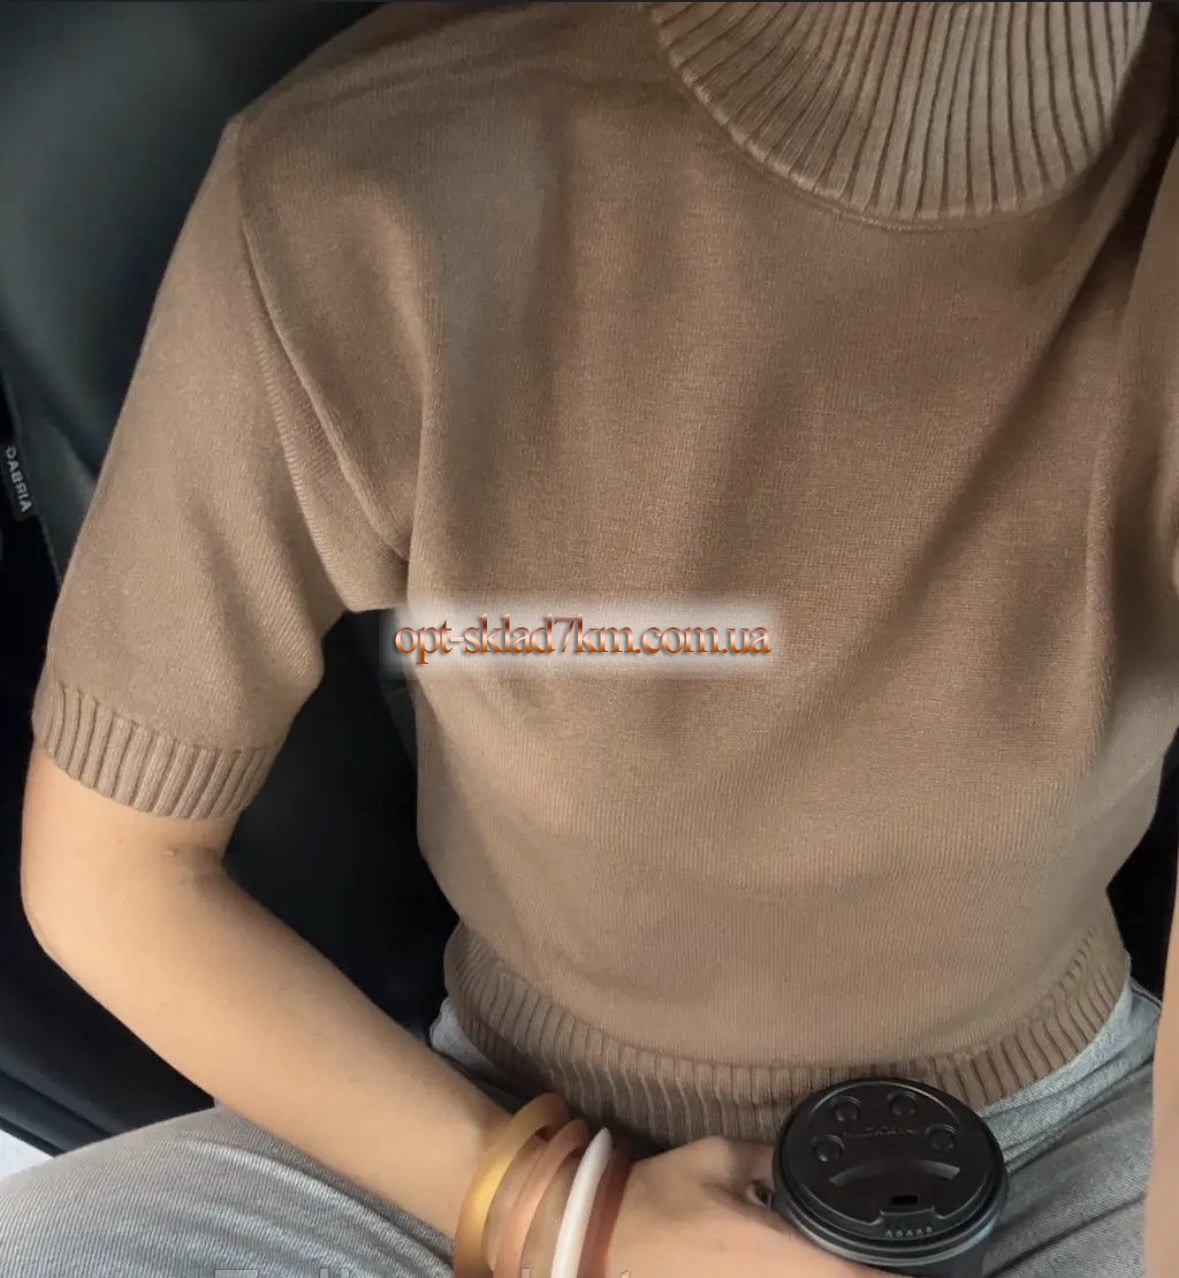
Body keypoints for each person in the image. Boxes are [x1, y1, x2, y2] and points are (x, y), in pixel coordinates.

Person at [3, 2, 1179, 1275]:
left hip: (1073, 1147)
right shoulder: (366, 188)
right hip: (504, 1133)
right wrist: (569, 1223)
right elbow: (113, 874)